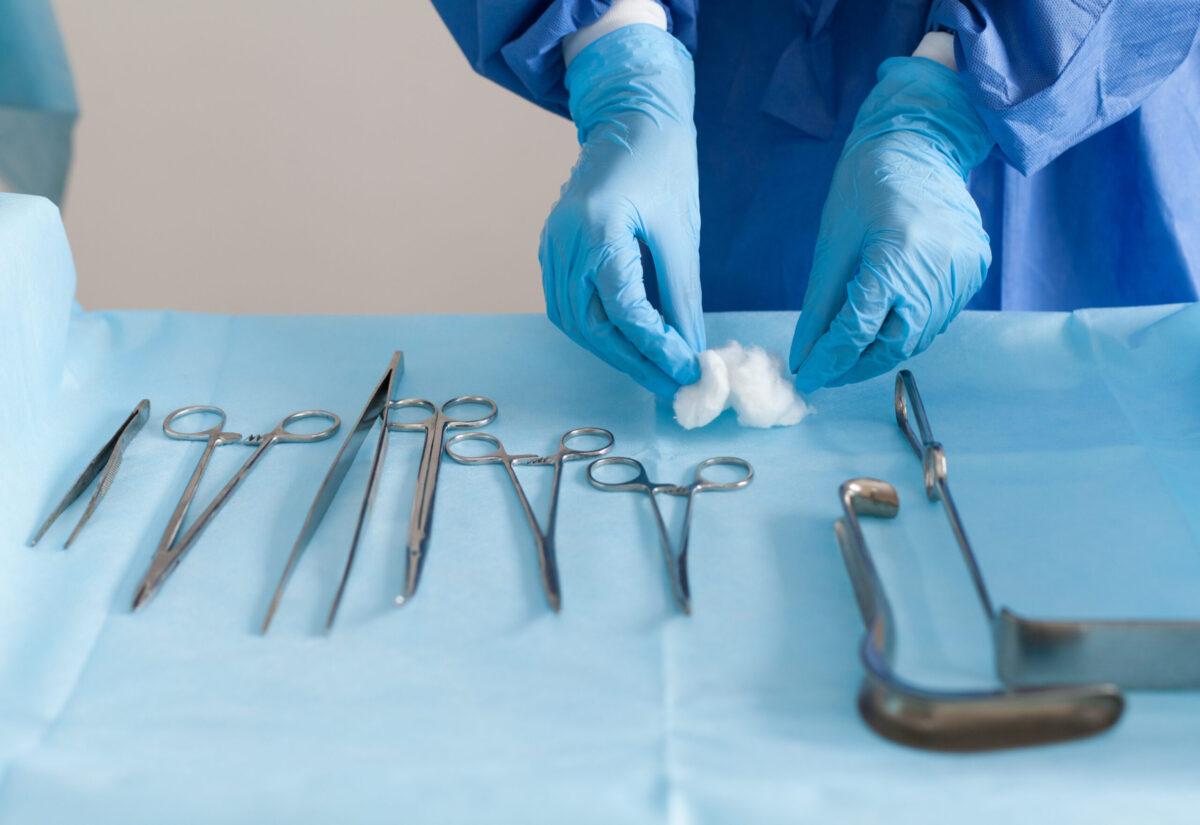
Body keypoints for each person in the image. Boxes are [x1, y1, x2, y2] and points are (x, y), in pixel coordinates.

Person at [432, 0, 1200, 397]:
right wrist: (613, 45)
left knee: (1078, 461)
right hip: (735, 77)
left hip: (1065, 114)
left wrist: (964, 93)